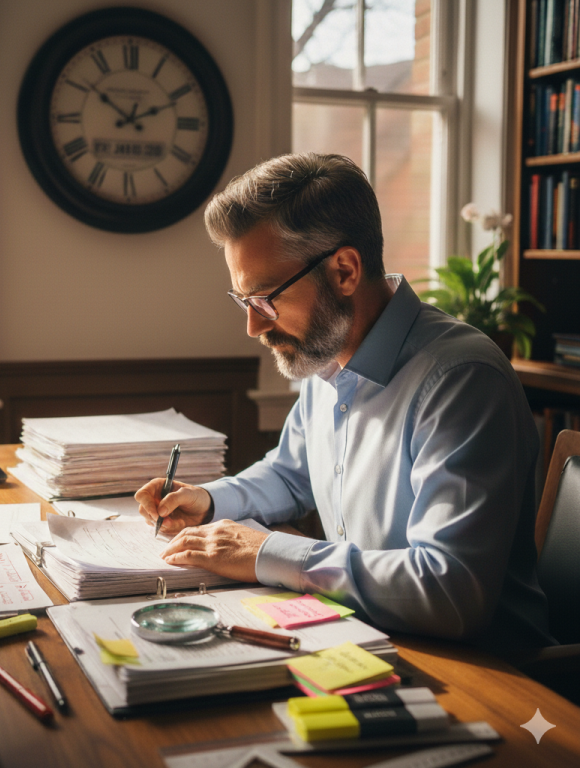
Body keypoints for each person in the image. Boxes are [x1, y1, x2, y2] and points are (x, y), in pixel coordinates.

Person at [135, 153, 553, 651]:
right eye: (244, 302)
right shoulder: (326, 354)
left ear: (345, 271)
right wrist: (210, 501)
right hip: (369, 638)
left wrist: (266, 551)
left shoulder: (462, 381)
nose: (253, 326)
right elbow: (291, 474)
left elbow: (449, 590)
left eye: (265, 298)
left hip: (487, 673)